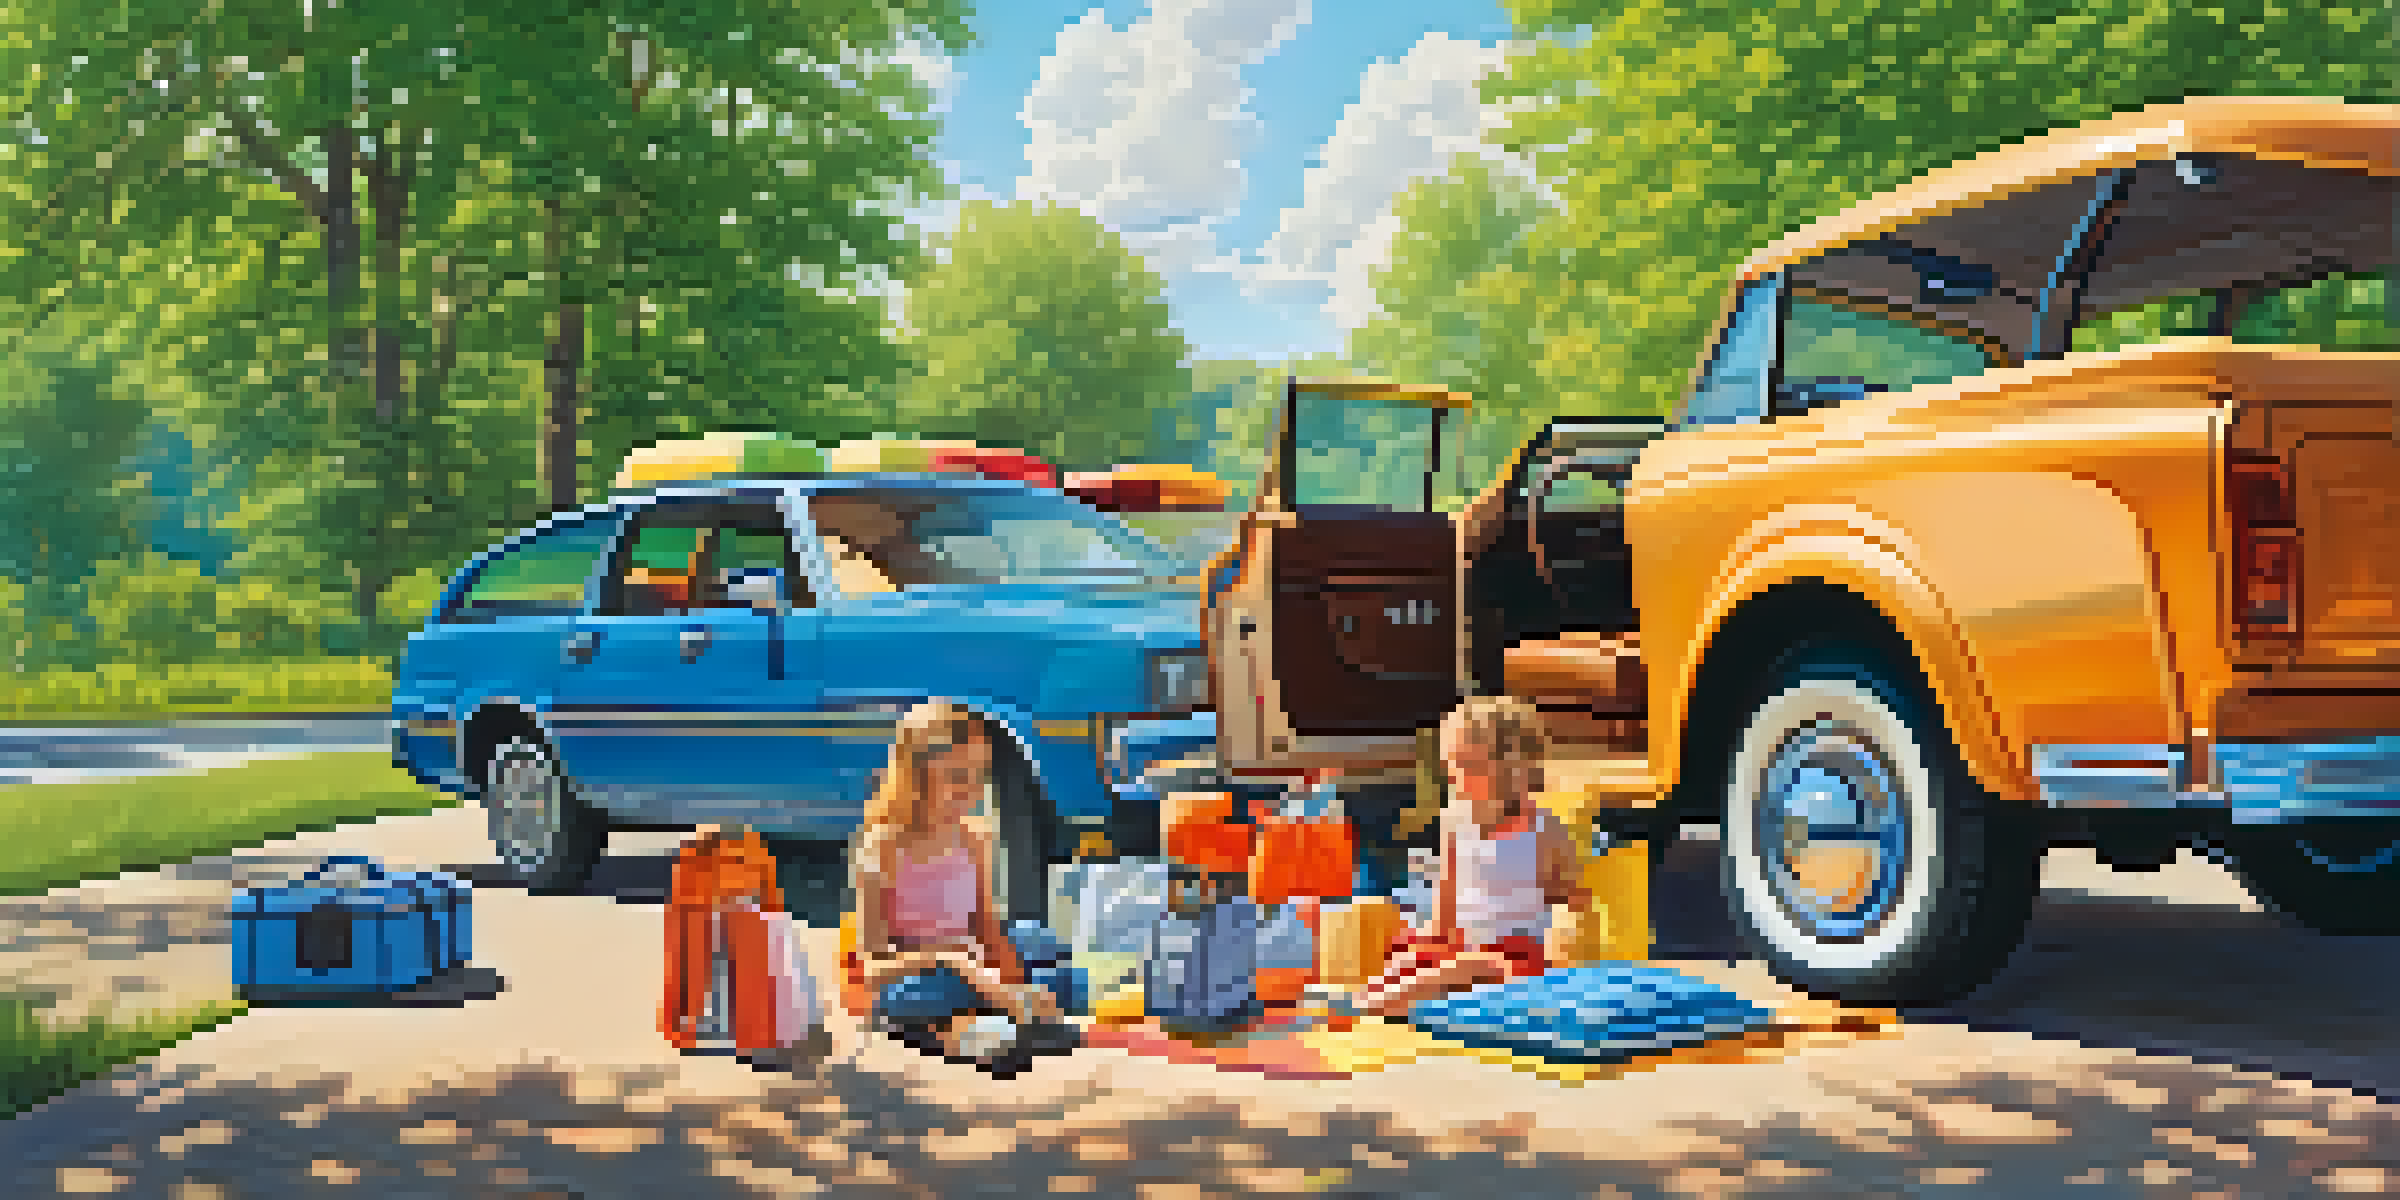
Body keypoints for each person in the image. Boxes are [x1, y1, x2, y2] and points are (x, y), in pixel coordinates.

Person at [848, 701, 1075, 1067]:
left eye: (979, 775)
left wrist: (1012, 987)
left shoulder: (974, 837)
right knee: (919, 994)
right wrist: (949, 958)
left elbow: (987, 926)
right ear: (916, 776)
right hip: (919, 974)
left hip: (975, 967)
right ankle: (962, 1028)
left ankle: (987, 1022)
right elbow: (871, 967)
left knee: (1039, 944)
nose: (971, 791)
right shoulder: (883, 846)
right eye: (956, 776)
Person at [1352, 696, 1589, 1021]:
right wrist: (1423, 945)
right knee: (1405, 961)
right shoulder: (1454, 821)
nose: (1453, 775)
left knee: (1475, 967)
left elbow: (1570, 900)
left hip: (1515, 953)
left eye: (1466, 765)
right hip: (1462, 943)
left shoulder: (1544, 830)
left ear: (1510, 769)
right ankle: (1390, 995)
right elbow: (1446, 899)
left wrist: (1568, 949)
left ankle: (1395, 999)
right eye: (1451, 763)